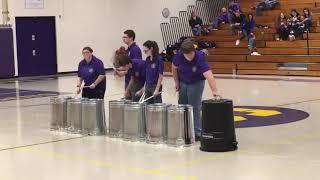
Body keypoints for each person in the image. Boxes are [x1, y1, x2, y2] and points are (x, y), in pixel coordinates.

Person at [172, 39, 219, 141]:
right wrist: (176, 82)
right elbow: (174, 67)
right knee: (182, 105)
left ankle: (197, 132)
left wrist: (214, 91)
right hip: (183, 82)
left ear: (194, 51)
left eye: (190, 54)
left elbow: (208, 74)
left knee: (195, 106)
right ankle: (183, 130)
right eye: (186, 55)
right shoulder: (178, 56)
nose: (188, 57)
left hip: (196, 82)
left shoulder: (200, 56)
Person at [119, 30, 142, 96]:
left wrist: (124, 72)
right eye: (123, 37)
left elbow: (136, 67)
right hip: (128, 78)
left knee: (133, 100)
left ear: (131, 38)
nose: (123, 39)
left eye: (125, 37)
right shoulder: (127, 50)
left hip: (133, 80)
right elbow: (126, 64)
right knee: (127, 98)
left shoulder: (135, 49)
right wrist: (120, 69)